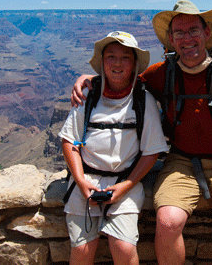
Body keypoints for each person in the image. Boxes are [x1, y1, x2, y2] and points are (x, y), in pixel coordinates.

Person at [71, 0, 212, 265]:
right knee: (168, 222)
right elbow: (123, 78)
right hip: (181, 161)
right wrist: (89, 80)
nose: (187, 39)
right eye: (179, 33)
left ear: (207, 33)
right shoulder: (162, 74)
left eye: (193, 30)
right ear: (171, 39)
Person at [59, 31, 168, 265]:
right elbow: (69, 141)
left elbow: (152, 151)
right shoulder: (87, 95)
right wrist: (80, 181)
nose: (117, 63)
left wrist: (125, 186)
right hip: (85, 181)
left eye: (125, 58)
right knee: (82, 251)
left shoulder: (143, 100)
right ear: (101, 62)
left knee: (124, 248)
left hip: (124, 184)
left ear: (135, 64)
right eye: (111, 56)